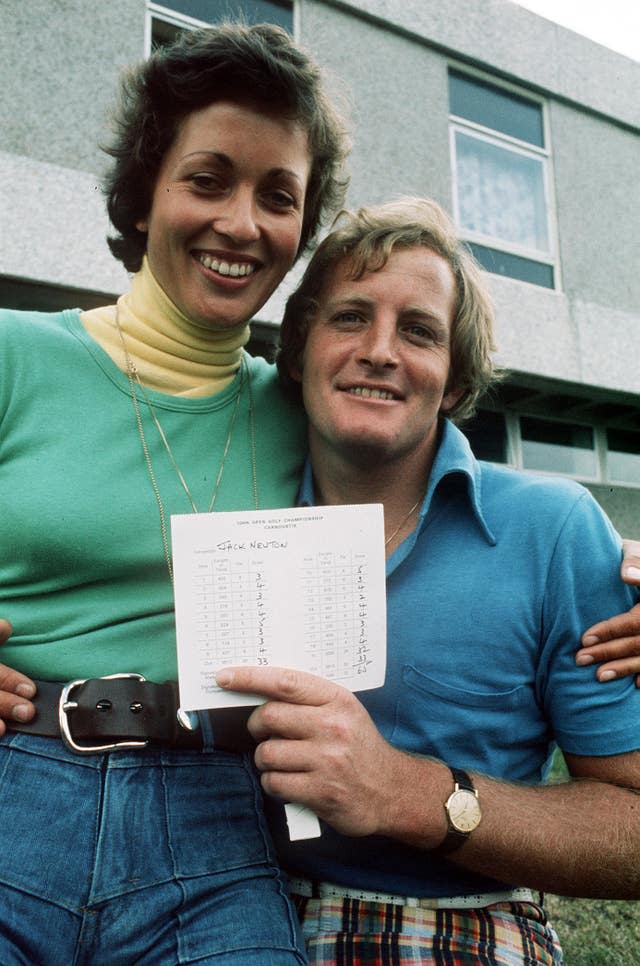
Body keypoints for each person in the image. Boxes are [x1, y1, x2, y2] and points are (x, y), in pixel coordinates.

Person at [0, 21, 348, 964]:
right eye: (208, 179)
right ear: (144, 196)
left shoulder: (306, 409)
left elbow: (443, 504)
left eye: (278, 196)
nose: (242, 223)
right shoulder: (12, 357)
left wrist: (610, 580)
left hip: (216, 815)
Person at [214, 198, 640, 965]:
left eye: (419, 331)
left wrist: (409, 794)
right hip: (227, 909)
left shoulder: (553, 530)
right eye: (349, 318)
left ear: (453, 380)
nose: (380, 351)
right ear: (301, 347)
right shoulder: (224, 501)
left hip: (461, 921)